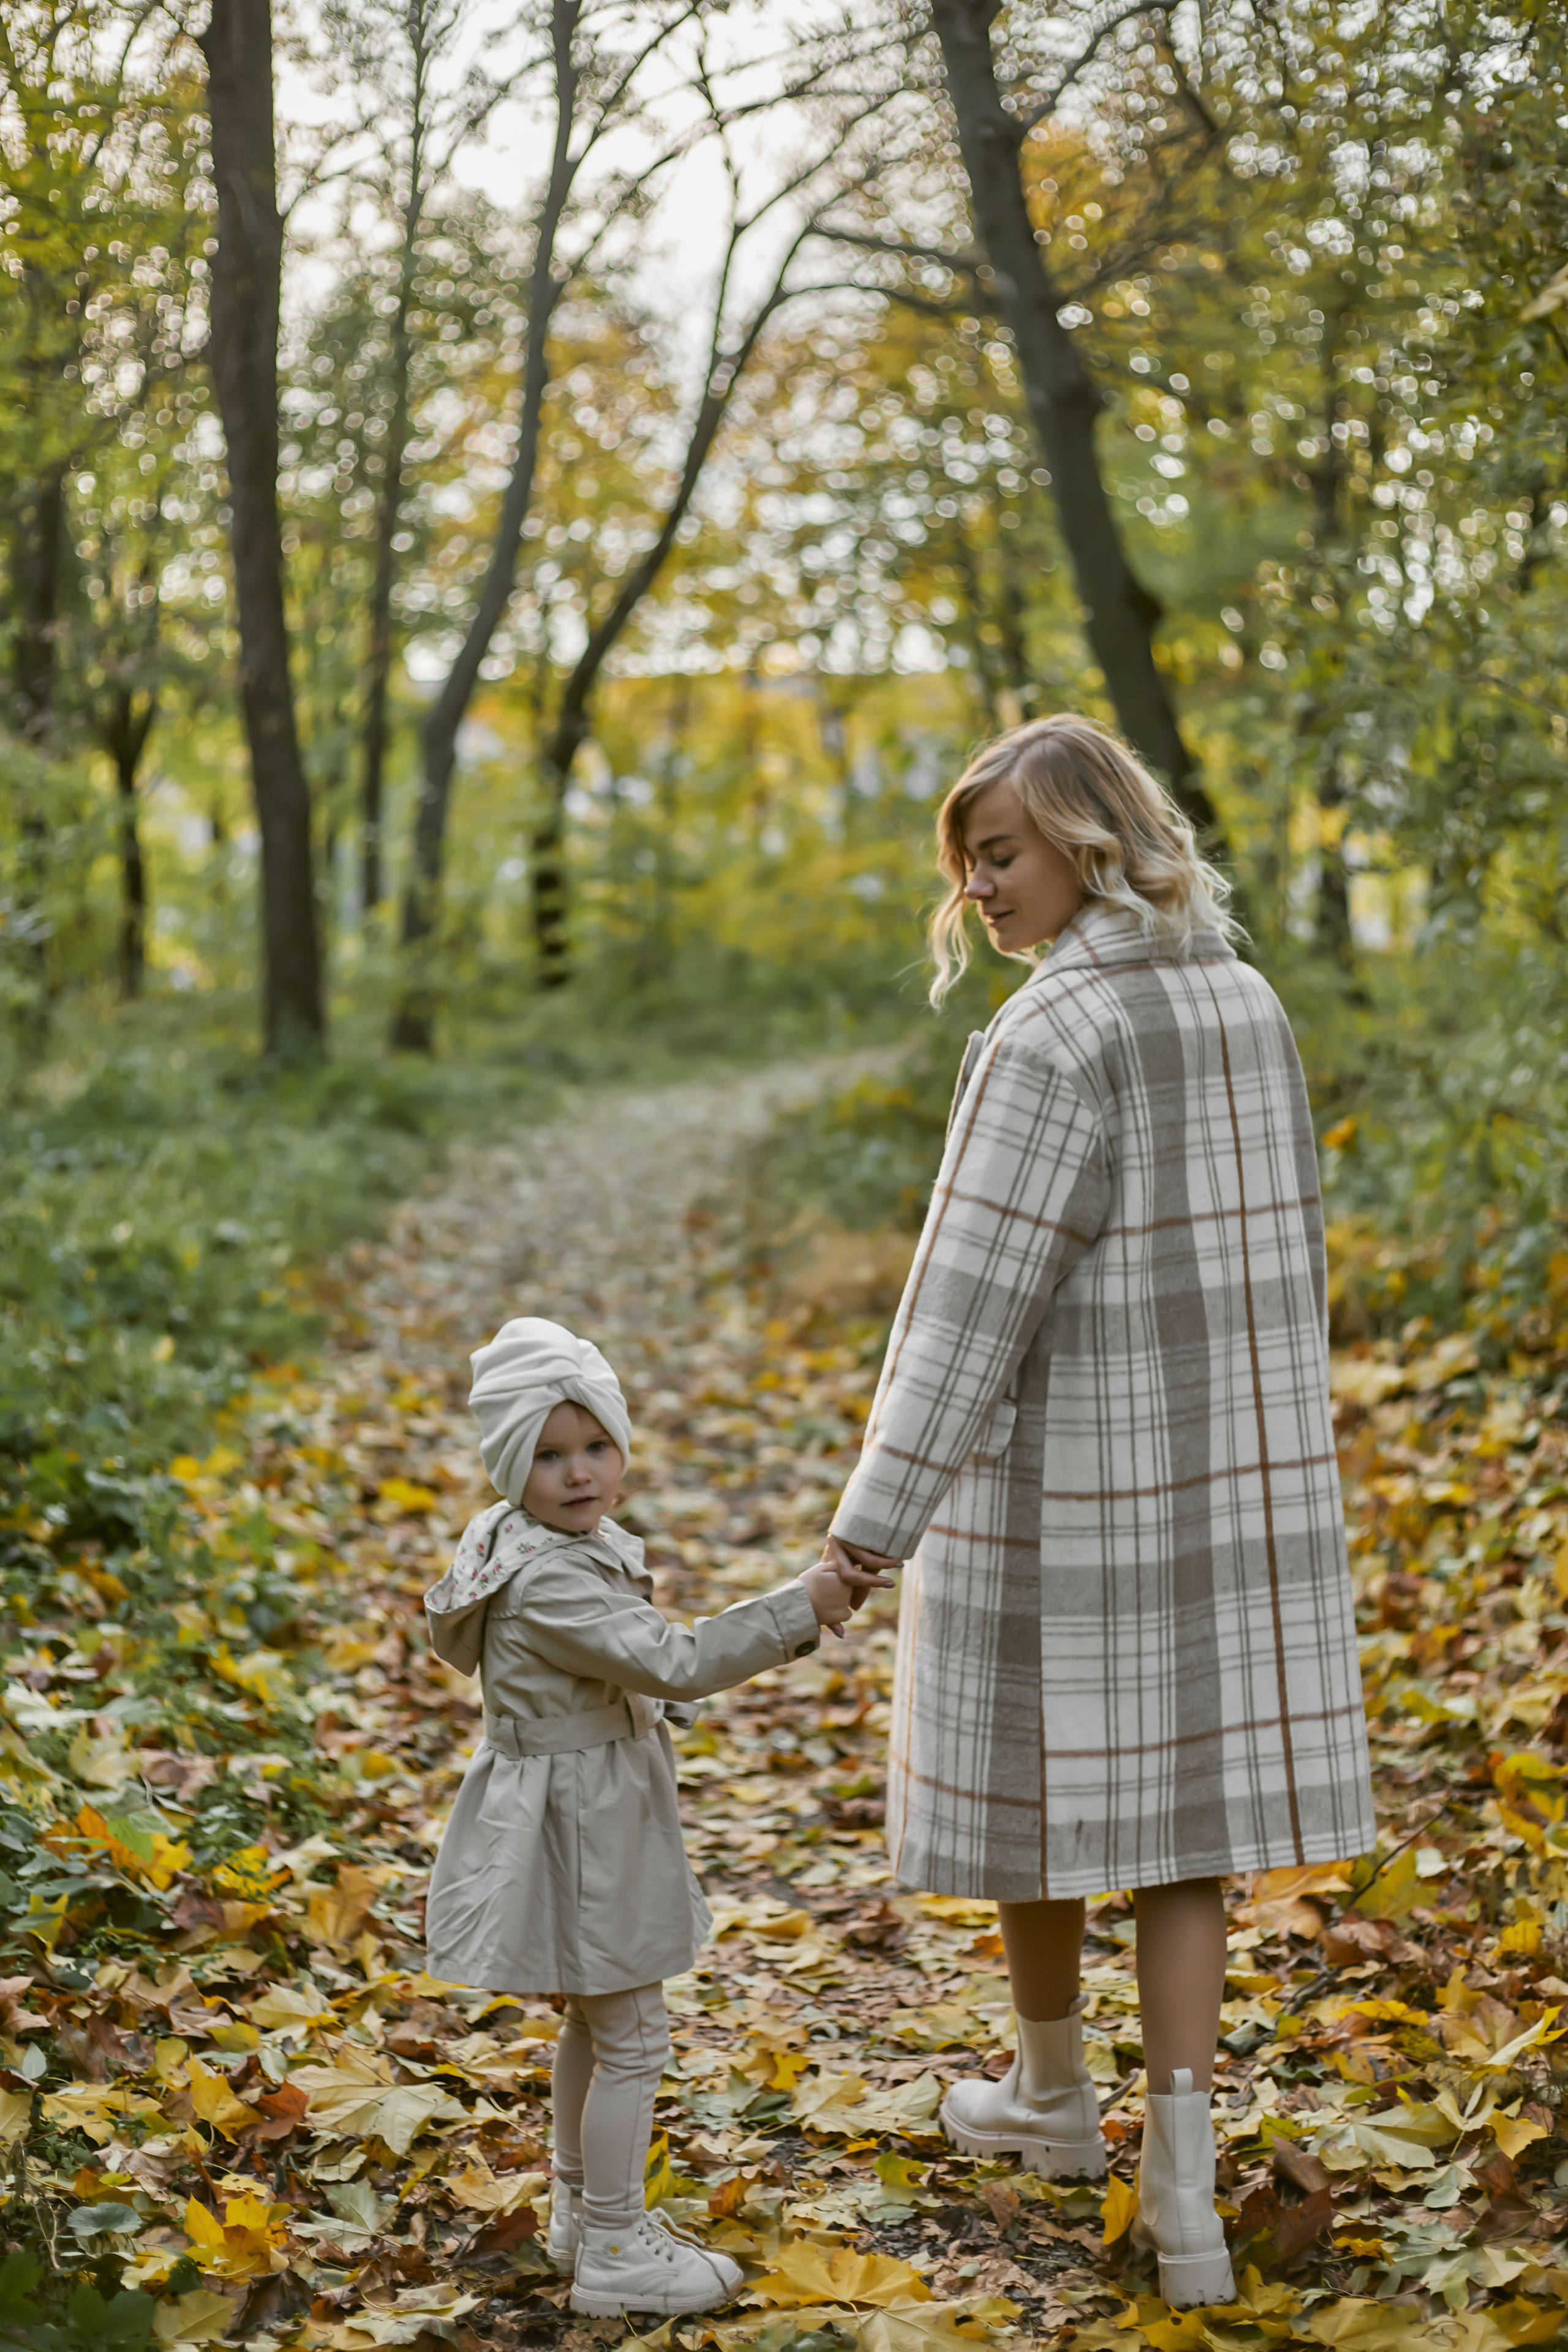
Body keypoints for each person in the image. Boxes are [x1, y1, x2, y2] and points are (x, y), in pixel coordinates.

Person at [816, 715, 1374, 2309]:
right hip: (1228, 1483)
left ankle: (1058, 2090)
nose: (981, 888)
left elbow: (968, 1306)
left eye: (1002, 853)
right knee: (1185, 1827)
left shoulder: (1053, 1036)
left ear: (1086, 835)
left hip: (1059, 1475)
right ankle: (1179, 2191)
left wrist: (874, 1523)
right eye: (969, 862)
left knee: (1036, 1776)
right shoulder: (1244, 1000)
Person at [424, 1316, 867, 2318]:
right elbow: (677, 1662)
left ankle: (586, 2211)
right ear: (508, 1464)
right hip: (585, 1823)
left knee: (597, 2011)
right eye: (547, 1455)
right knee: (631, 2034)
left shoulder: (522, 1539)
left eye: (596, 1447)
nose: (580, 1474)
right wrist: (804, 1604)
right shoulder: (549, 1576)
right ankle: (617, 2248)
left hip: (586, 1804)